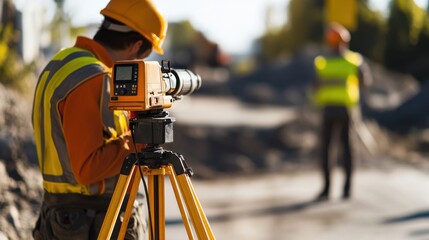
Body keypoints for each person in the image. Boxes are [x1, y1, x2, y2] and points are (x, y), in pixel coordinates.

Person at [31, 0, 167, 239]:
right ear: (136, 46)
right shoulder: (93, 79)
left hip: (64, 217)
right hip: (90, 221)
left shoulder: (64, 62)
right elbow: (87, 169)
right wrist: (140, 140)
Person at [311, 22, 371, 201]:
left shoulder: (322, 63)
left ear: (329, 42)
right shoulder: (354, 61)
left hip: (328, 109)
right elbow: (365, 81)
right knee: (347, 149)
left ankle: (326, 189)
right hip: (346, 109)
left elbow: (315, 86)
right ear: (344, 42)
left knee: (327, 150)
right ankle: (347, 190)